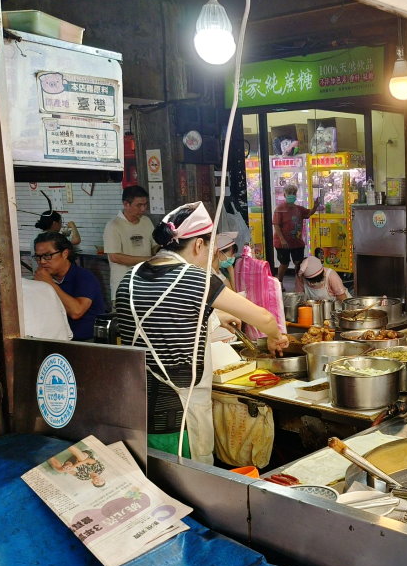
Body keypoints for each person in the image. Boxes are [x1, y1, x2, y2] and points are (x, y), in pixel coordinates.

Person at [115, 202, 289, 464]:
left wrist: (216, 319)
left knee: (155, 484)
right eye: (210, 248)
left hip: (136, 412)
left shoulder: (131, 277)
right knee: (188, 486)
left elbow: (166, 320)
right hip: (181, 416)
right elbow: (263, 317)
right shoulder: (195, 278)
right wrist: (276, 336)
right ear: (198, 244)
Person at [32, 232, 106, 341]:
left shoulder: (84, 277)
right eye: (38, 257)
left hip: (87, 342)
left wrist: (50, 284)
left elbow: (76, 311)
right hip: (57, 340)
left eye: (47, 256)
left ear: (65, 253)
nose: (42, 261)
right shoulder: (44, 279)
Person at [104, 185, 155, 300]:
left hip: (146, 286)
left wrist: (161, 252)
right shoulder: (113, 226)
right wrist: (149, 260)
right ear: (126, 204)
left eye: (145, 204)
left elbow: (154, 245)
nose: (143, 209)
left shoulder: (146, 221)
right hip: (124, 289)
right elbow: (115, 257)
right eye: (139, 205)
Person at [272, 184, 318, 286]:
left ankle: (299, 284)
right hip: (281, 243)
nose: (291, 195)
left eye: (293, 193)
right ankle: (279, 283)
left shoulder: (299, 209)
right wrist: (282, 240)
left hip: (297, 242)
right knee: (284, 263)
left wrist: (315, 207)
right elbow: (276, 225)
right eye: (289, 193)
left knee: (299, 264)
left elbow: (309, 213)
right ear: (285, 195)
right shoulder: (280, 209)